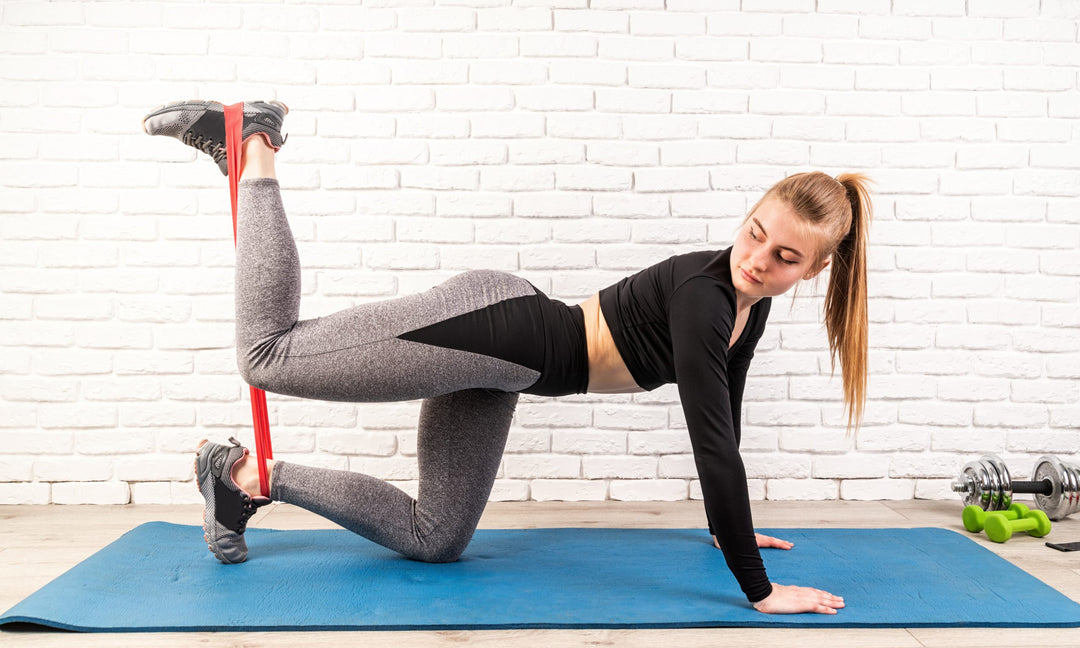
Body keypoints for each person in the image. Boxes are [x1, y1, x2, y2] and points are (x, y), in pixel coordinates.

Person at [143, 99, 871, 616]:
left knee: (436, 539)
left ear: (809, 271)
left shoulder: (752, 305)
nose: (755, 260)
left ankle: (241, 474)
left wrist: (724, 529)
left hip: (506, 368)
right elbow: (713, 448)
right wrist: (758, 586)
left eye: (783, 258)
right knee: (268, 356)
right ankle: (253, 143)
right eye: (753, 235)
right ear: (746, 218)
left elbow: (728, 418)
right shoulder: (707, 298)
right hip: (494, 328)